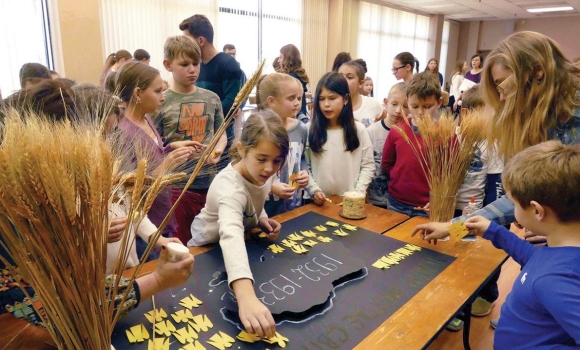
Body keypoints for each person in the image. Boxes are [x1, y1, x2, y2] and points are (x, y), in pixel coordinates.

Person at [414, 140, 580, 349]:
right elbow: (535, 258)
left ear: (537, 211)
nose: (512, 208)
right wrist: (492, 230)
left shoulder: (555, 280)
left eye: (514, 203)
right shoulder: (561, 252)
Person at [414, 31, 580, 239]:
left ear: (537, 71)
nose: (501, 98)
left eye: (503, 85)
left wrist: (565, 233)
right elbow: (521, 195)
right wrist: (454, 227)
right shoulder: (544, 118)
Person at [187, 112, 289, 339]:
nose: (269, 168)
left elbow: (255, 195)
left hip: (236, 247)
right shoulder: (229, 188)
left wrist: (260, 217)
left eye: (277, 161)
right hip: (206, 247)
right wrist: (246, 297)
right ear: (242, 150)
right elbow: (230, 233)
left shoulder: (263, 171)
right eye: (262, 159)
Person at [116, 61, 200, 259]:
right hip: (145, 226)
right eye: (157, 92)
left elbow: (149, 157)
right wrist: (167, 164)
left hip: (162, 214)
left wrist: (170, 148)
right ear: (138, 94)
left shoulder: (146, 119)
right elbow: (129, 188)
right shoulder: (123, 132)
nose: (163, 98)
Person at [154, 35, 226, 245]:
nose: (192, 69)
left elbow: (220, 132)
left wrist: (218, 151)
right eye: (184, 64)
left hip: (209, 183)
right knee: (182, 242)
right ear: (168, 65)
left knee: (209, 240)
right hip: (177, 186)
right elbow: (155, 146)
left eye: (196, 63)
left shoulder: (211, 98)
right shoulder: (161, 102)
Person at [180, 14, 243, 161]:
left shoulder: (228, 64)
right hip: (197, 137)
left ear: (200, 40)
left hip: (220, 140)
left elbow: (232, 104)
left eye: (188, 39)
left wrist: (200, 113)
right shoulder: (197, 66)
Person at [305, 72, 374, 204]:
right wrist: (313, 190)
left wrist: (357, 193)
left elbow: (368, 165)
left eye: (332, 98)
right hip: (317, 202)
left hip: (349, 202)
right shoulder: (309, 129)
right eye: (321, 98)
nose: (326, 104)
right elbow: (304, 166)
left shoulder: (358, 130)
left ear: (345, 99)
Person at [382, 72, 442, 217]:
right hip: (396, 202)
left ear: (438, 103)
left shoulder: (446, 135)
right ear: (408, 101)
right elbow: (387, 164)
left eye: (427, 107)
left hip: (428, 207)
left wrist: (438, 198)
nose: (420, 112)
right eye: (414, 106)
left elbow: (450, 173)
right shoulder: (397, 131)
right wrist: (400, 179)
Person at [256, 73, 309, 216]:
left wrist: (304, 172)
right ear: (272, 101)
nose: (297, 103)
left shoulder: (301, 129)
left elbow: (303, 157)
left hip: (293, 204)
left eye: (299, 98)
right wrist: (271, 187)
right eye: (291, 98)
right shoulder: (258, 130)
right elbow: (249, 170)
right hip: (265, 208)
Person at [367, 82, 408, 208]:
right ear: (386, 102)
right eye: (394, 104)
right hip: (372, 199)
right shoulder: (372, 131)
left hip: (398, 203)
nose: (398, 111)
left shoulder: (411, 135)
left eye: (405, 106)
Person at [338, 60, 385, 127]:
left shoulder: (373, 104)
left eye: (349, 77)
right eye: (340, 76)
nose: (343, 80)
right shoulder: (333, 105)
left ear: (360, 83)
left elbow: (384, 120)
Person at [279, 44, 310, 123]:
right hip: (300, 114)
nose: (278, 61)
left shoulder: (290, 79)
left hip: (294, 117)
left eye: (280, 57)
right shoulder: (298, 75)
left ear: (287, 59)